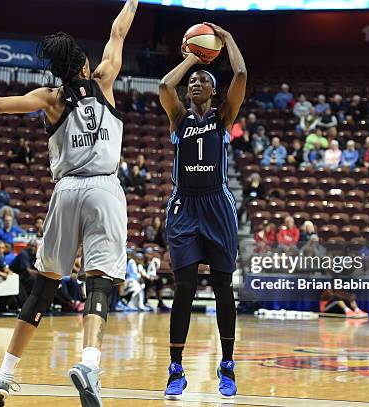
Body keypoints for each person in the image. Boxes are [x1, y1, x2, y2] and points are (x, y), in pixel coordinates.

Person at [0, 2, 139, 405]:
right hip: (104, 189)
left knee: (43, 287)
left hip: (66, 191)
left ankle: (2, 377)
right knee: (100, 279)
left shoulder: (49, 98)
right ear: (85, 65)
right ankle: (88, 363)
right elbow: (118, 32)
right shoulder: (105, 81)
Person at [158, 22, 245, 400]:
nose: (194, 83)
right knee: (185, 288)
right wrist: (193, 57)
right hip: (184, 206)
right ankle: (176, 368)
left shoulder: (223, 117)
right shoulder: (179, 118)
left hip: (217, 205)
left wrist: (226, 41)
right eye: (191, 81)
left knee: (223, 289)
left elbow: (240, 73)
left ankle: (227, 364)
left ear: (213, 90)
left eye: (202, 80)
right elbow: (164, 86)